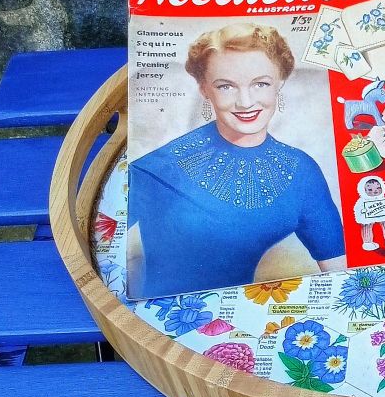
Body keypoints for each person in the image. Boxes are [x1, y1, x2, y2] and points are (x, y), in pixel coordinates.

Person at [127, 23, 345, 299]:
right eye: (226, 86)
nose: (245, 102)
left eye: (261, 84)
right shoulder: (159, 168)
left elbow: (342, 277)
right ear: (204, 88)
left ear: (280, 83)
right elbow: (110, 255)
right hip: (157, 327)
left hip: (249, 323)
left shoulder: (302, 172)